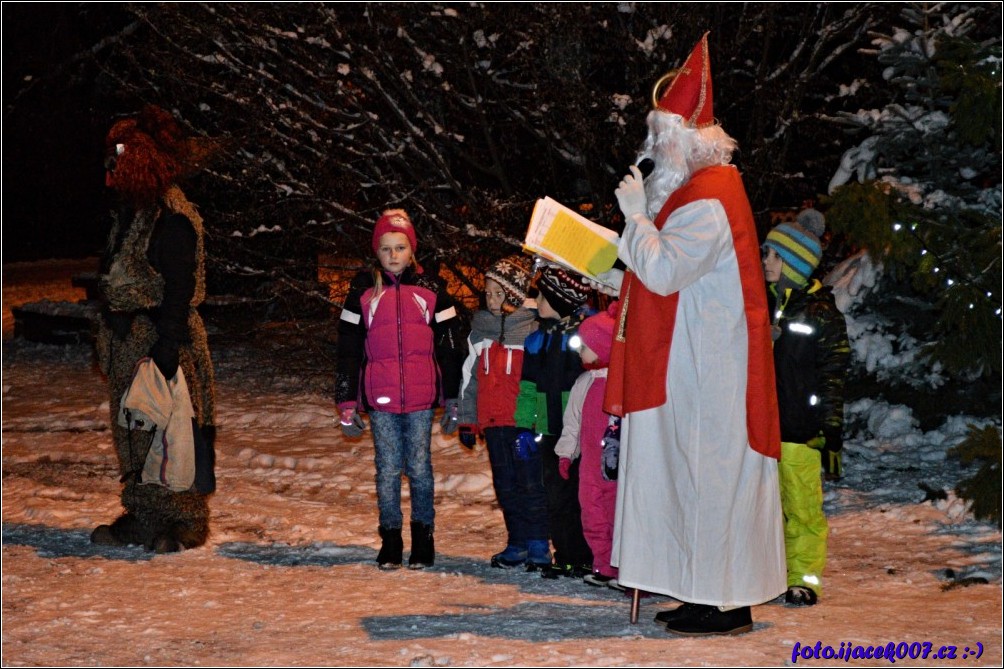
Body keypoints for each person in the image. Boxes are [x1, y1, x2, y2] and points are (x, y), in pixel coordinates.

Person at [601, 33, 786, 635]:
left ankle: (724, 601)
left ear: (686, 143)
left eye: (661, 139)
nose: (652, 151)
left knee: (710, 482)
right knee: (692, 478)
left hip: (710, 377)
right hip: (690, 366)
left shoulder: (708, 200)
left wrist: (633, 219)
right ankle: (699, 588)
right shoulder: (694, 194)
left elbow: (663, 268)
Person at [90, 105, 217, 553]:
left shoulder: (171, 218)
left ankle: (183, 520)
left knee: (174, 431)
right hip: (130, 341)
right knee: (134, 433)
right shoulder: (134, 214)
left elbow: (180, 289)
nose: (109, 177)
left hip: (163, 340)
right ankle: (144, 515)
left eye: (115, 165)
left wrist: (166, 347)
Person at [335, 209, 463, 570]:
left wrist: (453, 398)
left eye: (400, 247)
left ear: (412, 250)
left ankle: (424, 537)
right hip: (381, 399)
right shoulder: (361, 293)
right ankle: (390, 538)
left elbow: (451, 345)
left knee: (420, 468)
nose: (393, 255)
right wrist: (347, 402)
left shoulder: (433, 290)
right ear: (376, 251)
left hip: (422, 399)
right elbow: (348, 347)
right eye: (386, 248)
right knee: (388, 469)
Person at [762, 210, 850, 606]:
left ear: (792, 265)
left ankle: (805, 579)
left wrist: (829, 428)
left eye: (773, 256)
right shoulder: (763, 307)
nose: (765, 261)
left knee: (802, 509)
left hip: (800, 429)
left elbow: (834, 374)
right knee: (768, 509)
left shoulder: (821, 314)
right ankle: (771, 573)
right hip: (762, 428)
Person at [456, 255, 549, 569]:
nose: (491, 300)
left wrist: (539, 420)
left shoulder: (532, 333)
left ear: (514, 296)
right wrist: (467, 419)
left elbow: (541, 382)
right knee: (505, 483)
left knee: (530, 482)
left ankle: (539, 543)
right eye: (487, 293)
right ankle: (518, 541)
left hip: (523, 428)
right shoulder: (479, 334)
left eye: (499, 294)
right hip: (494, 427)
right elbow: (469, 380)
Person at [513, 265, 595, 577]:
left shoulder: (584, 337)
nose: (536, 300)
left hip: (580, 435)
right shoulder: (537, 340)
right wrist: (524, 426)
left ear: (561, 300)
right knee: (556, 497)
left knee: (582, 497)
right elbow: (527, 388)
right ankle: (566, 555)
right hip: (549, 432)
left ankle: (589, 555)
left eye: (542, 296)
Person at [554, 302, 624, 590]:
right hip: (590, 469)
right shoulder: (584, 383)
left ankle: (625, 568)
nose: (579, 350)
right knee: (592, 513)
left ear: (604, 346)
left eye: (585, 345)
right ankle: (603, 564)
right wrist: (566, 454)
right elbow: (572, 422)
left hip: (616, 468)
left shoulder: (621, 385)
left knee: (617, 516)